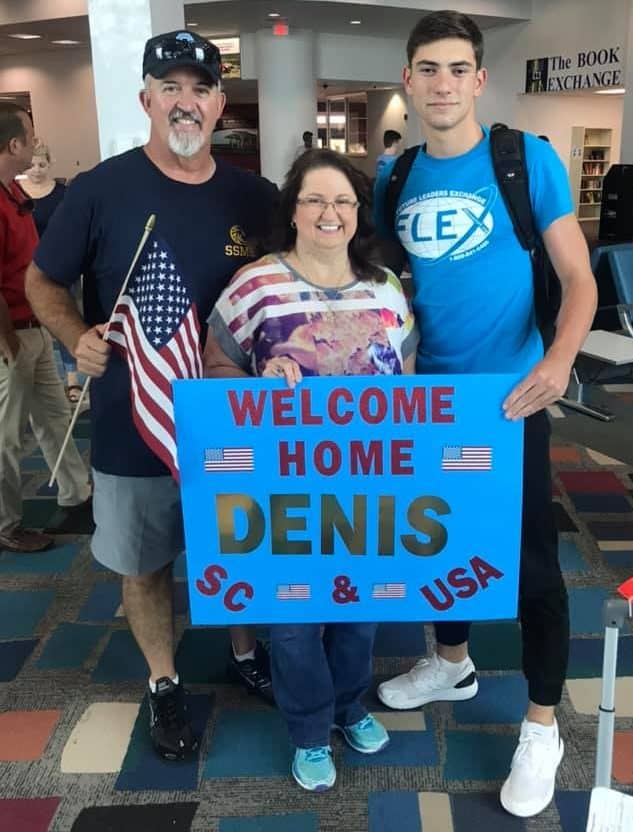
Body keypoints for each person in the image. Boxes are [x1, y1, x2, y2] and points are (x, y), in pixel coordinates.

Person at [25, 29, 278, 760]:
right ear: (146, 99)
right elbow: (42, 280)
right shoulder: (101, 190)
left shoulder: (255, 197)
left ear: (221, 103)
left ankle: (243, 650)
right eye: (170, 88)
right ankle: (163, 680)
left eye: (200, 88)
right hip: (132, 417)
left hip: (233, 419)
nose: (185, 102)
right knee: (145, 562)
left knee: (238, 547)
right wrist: (75, 335)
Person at [373, 11, 597, 819]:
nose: (442, 84)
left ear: (478, 78)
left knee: (531, 564)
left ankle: (541, 725)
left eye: (456, 68)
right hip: (428, 400)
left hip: (509, 399)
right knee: (442, 539)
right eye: (427, 69)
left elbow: (577, 278)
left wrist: (559, 359)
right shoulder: (392, 176)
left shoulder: (524, 160)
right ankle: (451, 661)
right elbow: (381, 284)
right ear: (408, 80)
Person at [205, 148, 417, 792]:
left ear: (358, 213)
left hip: (368, 484)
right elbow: (216, 367)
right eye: (316, 199)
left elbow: (409, 377)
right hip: (284, 487)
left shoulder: (385, 286)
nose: (331, 212)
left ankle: (348, 707)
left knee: (360, 611)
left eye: (343, 201)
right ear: (293, 210)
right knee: (294, 618)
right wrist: (257, 381)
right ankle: (308, 729)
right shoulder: (255, 284)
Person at [0, 103, 92, 553]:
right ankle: (5, 525)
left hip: (34, 330)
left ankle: (78, 494)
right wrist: (8, 343)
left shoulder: (14, 195)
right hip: (11, 336)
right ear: (14, 144)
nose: (36, 141)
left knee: (55, 418)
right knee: (6, 436)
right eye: (30, 134)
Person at [22, 143, 83, 403]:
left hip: (59, 268)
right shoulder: (15, 192)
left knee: (65, 321)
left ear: (50, 164)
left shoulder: (62, 194)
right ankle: (33, 382)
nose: (36, 170)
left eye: (42, 165)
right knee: (29, 330)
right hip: (25, 269)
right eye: (32, 165)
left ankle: (72, 379)